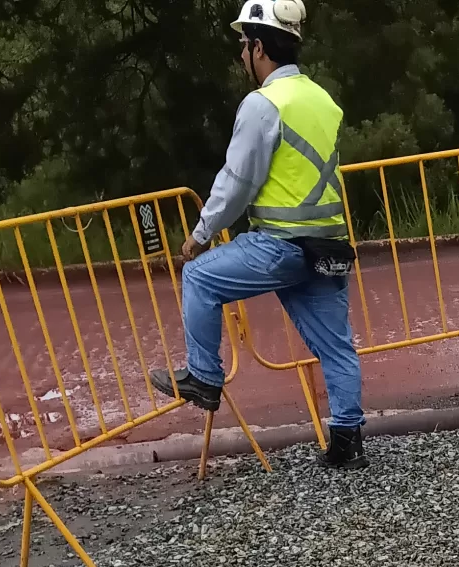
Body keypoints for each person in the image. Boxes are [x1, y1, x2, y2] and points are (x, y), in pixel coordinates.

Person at [151, 0, 366, 469]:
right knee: (337, 347)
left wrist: (201, 235)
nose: (241, 54)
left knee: (200, 279)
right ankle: (347, 443)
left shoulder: (263, 104)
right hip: (327, 246)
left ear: (260, 48)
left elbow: (237, 182)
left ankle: (203, 378)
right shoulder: (322, 100)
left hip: (280, 244)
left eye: (244, 44)